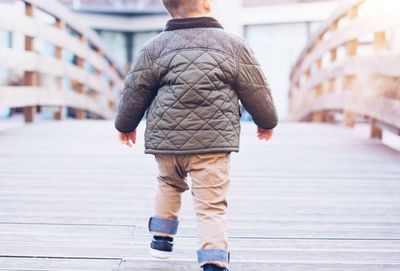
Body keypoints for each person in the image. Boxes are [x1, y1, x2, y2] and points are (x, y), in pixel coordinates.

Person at [115, 0, 278, 270]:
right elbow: (255, 88)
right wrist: (266, 120)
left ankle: (161, 238)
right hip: (212, 143)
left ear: (168, 8)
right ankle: (213, 261)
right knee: (211, 204)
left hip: (167, 142)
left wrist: (126, 125)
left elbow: (135, 90)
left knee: (168, 184)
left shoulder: (155, 47)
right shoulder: (233, 45)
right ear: (207, 4)